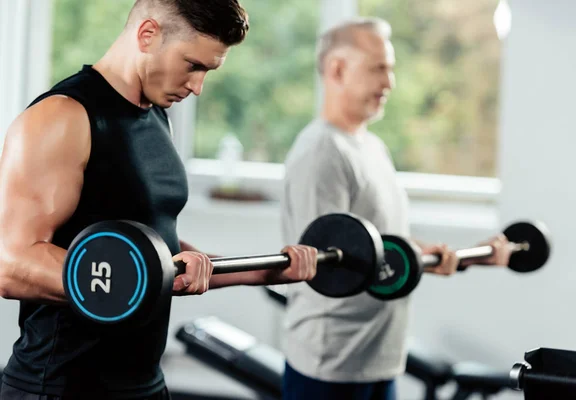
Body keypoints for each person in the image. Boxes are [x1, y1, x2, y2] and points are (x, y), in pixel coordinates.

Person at [0, 1, 319, 399]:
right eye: (192, 65)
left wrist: (271, 270)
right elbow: (11, 266)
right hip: (60, 385)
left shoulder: (155, 116)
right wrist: (151, 274)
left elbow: (157, 251)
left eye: (207, 70)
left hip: (143, 383)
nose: (197, 86)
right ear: (148, 34)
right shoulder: (63, 117)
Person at [280, 17, 512, 400]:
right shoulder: (322, 152)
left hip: (377, 353)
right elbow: (328, 266)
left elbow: (382, 241)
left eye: (391, 69)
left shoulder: (370, 147)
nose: (389, 83)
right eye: (379, 69)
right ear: (338, 69)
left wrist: (457, 257)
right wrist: (423, 261)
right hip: (331, 362)